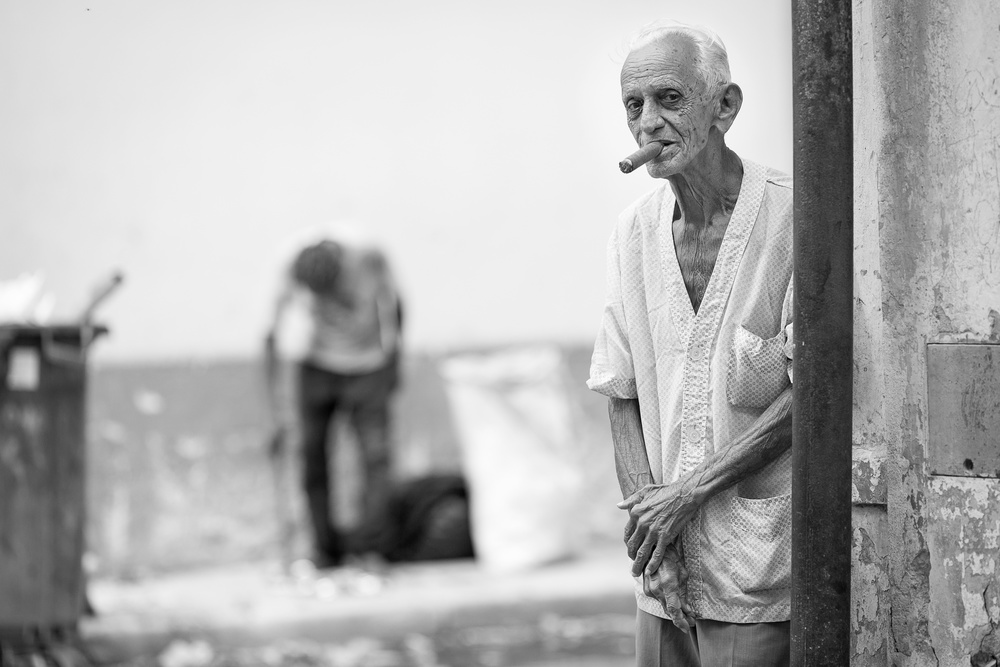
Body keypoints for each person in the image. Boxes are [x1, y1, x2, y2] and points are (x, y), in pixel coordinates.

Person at [588, 21, 795, 667]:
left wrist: (686, 496)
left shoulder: (795, 216)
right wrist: (654, 539)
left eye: (669, 99)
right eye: (633, 105)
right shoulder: (632, 233)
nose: (648, 122)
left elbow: (812, 393)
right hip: (665, 571)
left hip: (755, 564)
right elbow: (620, 390)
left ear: (724, 107)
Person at [265, 222, 403, 568]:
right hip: (317, 366)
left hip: (368, 364)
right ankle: (323, 550)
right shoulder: (290, 261)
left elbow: (396, 304)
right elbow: (272, 331)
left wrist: (393, 362)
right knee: (311, 457)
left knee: (375, 459)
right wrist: (275, 408)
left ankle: (371, 550)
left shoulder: (369, 254)